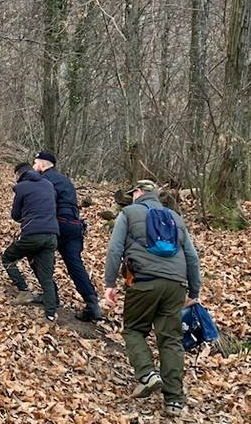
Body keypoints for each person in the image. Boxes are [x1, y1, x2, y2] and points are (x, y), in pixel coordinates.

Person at [104, 179, 202, 418]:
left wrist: (109, 284)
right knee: (170, 340)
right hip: (175, 285)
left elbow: (115, 249)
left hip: (143, 281)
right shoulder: (176, 217)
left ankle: (148, 374)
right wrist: (194, 292)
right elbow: (191, 256)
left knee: (134, 329)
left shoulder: (128, 213)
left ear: (139, 192)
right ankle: (174, 401)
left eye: (133, 192)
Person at [33, 151, 103, 322]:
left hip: (57, 223)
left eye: (35, 163)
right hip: (74, 225)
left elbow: (43, 204)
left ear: (42, 165)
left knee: (35, 254)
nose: (33, 167)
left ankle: (52, 295)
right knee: (74, 264)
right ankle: (92, 303)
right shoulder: (65, 180)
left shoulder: (44, 181)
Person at [2, 163, 60, 321]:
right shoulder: (48, 185)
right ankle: (50, 312)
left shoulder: (21, 187)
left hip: (33, 234)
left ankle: (23, 289)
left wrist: (26, 217)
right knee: (46, 275)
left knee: (7, 258)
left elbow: (15, 215)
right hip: (52, 235)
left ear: (19, 174)